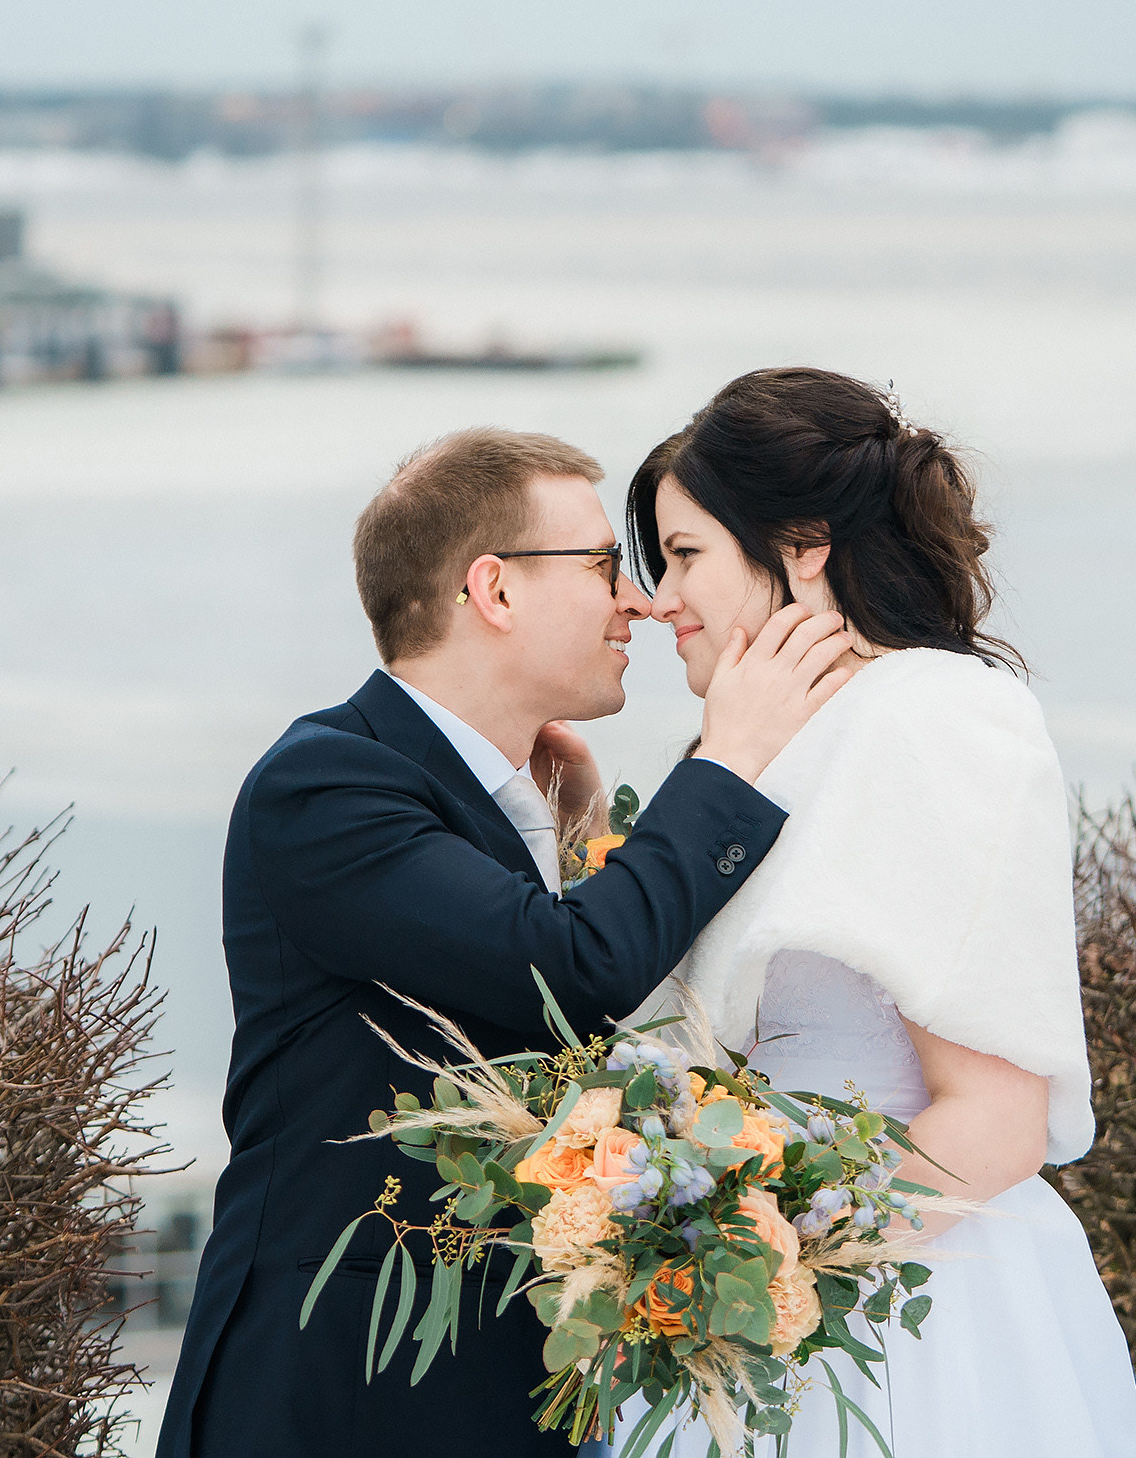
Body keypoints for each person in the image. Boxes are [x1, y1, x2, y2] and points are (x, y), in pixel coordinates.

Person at [156, 427, 858, 1458]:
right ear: (493, 592)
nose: (644, 601)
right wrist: (731, 759)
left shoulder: (522, 795)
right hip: (342, 1388)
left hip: (504, 1381)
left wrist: (569, 845)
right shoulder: (325, 787)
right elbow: (569, 975)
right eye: (606, 565)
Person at [605, 369, 1136, 1456]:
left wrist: (758, 1268)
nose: (660, 598)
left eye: (687, 555)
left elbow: (994, 1120)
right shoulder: (761, 745)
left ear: (802, 548)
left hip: (903, 1304)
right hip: (754, 1288)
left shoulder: (934, 717)